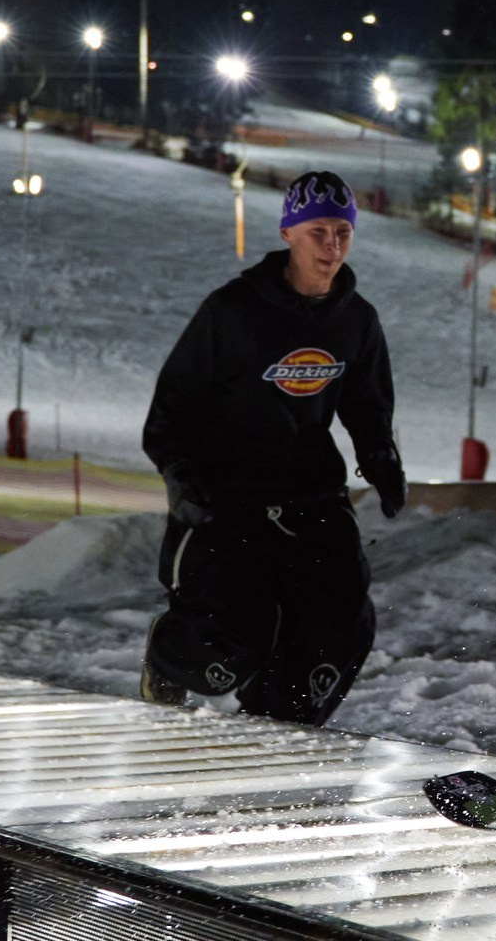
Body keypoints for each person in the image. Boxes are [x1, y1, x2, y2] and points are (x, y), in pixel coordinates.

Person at [139, 170, 405, 725]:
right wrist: (181, 475)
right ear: (288, 232)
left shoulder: (356, 320)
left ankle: (282, 720)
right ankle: (170, 661)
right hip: (227, 490)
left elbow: (367, 400)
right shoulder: (232, 312)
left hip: (311, 489)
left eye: (342, 232)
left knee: (340, 613)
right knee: (236, 634)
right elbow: (172, 407)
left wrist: (379, 454)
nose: (332, 246)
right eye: (318, 233)